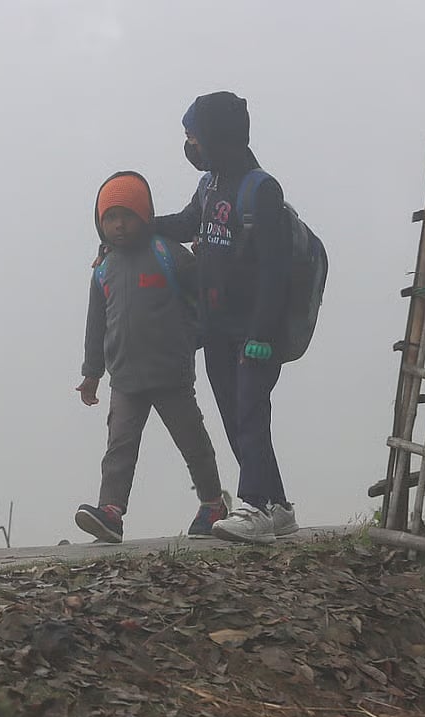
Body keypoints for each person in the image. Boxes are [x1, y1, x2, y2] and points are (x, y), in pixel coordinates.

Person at [155, 91, 298, 544]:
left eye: (192, 136)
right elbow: (185, 224)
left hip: (254, 331)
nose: (188, 145)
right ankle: (277, 507)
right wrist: (141, 224)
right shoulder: (210, 186)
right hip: (216, 329)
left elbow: (276, 268)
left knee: (252, 412)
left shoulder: (261, 189)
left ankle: (254, 505)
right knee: (237, 419)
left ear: (215, 137)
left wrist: (262, 333)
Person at [75, 171, 228, 543]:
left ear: (145, 216)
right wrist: (91, 373)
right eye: (110, 218)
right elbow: (96, 325)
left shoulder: (167, 253)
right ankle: (111, 512)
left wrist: (200, 336)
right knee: (119, 447)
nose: (119, 225)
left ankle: (212, 504)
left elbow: (207, 292)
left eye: (127, 215)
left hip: (170, 374)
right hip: (124, 378)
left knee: (192, 441)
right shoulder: (104, 270)